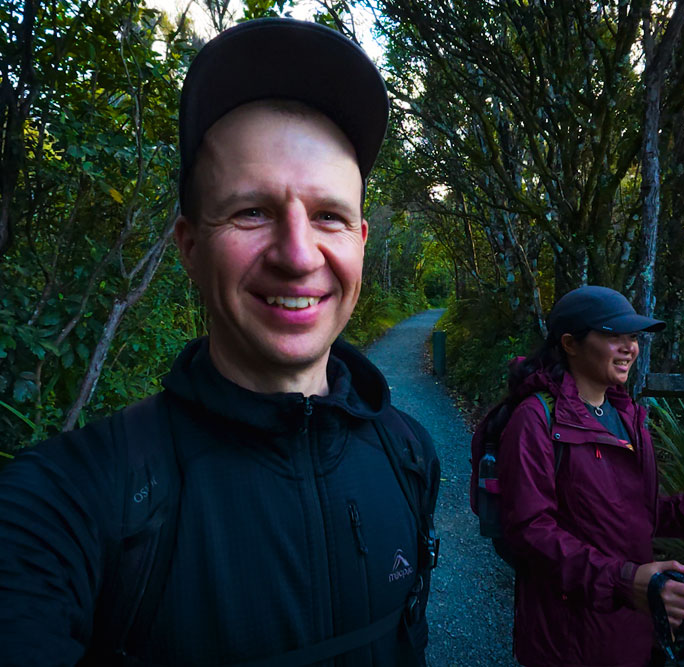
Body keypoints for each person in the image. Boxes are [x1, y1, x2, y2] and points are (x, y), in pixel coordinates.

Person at [0, 19, 438, 666]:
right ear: (190, 246)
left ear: (362, 242)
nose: (297, 254)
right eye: (252, 211)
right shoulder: (66, 504)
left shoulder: (409, 455)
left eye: (329, 216)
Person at [496, 286, 684, 667]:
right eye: (612, 335)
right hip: (569, 638)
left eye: (632, 337)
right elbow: (529, 533)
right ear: (570, 343)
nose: (628, 348)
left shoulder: (626, 415)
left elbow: (631, 512)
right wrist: (624, 581)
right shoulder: (535, 420)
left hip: (630, 627)